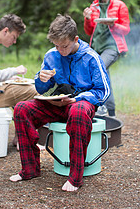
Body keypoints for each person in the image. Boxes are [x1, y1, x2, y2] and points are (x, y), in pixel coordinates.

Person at [9, 14, 110, 192]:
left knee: (78, 111)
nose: (60, 50)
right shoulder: (52, 55)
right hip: (57, 104)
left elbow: (104, 91)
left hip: (80, 105)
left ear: (75, 39)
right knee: (21, 108)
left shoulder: (91, 58)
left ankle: (75, 177)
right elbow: (41, 89)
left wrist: (78, 99)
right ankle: (30, 169)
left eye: (64, 46)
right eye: (56, 46)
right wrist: (40, 78)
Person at [83, 0, 130, 117]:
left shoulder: (120, 5)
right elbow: (89, 31)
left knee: (99, 68)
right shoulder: (94, 7)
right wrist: (87, 18)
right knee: (104, 77)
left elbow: (126, 29)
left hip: (112, 47)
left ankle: (100, 105)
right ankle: (112, 112)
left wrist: (112, 25)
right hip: (97, 47)